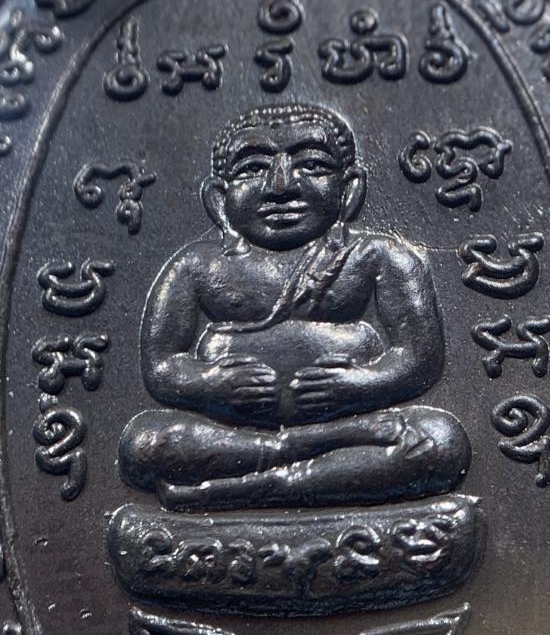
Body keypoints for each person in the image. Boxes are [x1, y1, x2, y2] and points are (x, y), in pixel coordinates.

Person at [119, 103, 470, 511]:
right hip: (235, 434)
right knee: (145, 443)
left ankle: (252, 488)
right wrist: (212, 383)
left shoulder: (378, 257)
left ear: (349, 189)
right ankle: (284, 458)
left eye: (312, 166)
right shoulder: (198, 265)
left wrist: (358, 384)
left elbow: (419, 358)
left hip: (353, 427)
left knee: (440, 440)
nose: (281, 185)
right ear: (219, 198)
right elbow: (162, 365)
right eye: (253, 168)